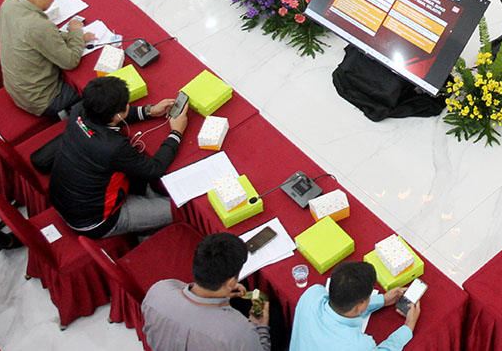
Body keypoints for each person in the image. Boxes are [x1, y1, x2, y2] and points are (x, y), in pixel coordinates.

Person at [49, 76, 187, 239]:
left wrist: (149, 111)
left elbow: (114, 116)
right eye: (125, 105)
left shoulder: (81, 110)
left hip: (65, 199)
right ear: (116, 114)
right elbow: (154, 169)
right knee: (183, 210)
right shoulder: (113, 147)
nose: (128, 105)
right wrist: (176, 132)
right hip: (95, 220)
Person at [142, 232, 270, 351]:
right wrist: (260, 325)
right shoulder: (239, 333)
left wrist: (224, 292)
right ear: (230, 282)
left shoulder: (159, 290)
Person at [0, 0, 93, 118]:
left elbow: (37, 38)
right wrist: (76, 31)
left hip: (16, 87)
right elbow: (70, 61)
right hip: (41, 99)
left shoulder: (9, 3)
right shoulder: (39, 26)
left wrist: (72, 38)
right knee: (91, 95)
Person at [289, 260, 419, 351]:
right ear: (360, 305)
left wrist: (383, 300)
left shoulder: (312, 294)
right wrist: (408, 327)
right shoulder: (359, 346)